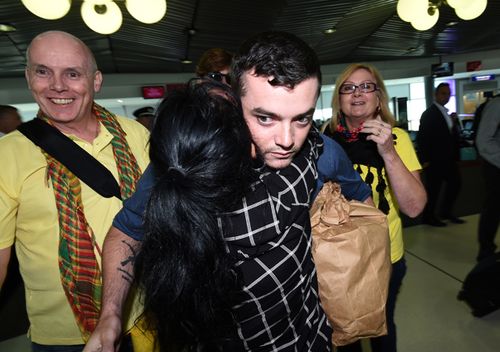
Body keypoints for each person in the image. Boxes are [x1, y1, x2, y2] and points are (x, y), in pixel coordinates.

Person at [84, 31, 373, 352]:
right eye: (265, 118)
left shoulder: (320, 151)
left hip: (309, 339)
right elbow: (127, 231)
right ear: (234, 100)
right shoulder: (195, 160)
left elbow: (361, 195)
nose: (287, 139)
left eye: (302, 118)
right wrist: (110, 315)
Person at [0, 31, 150, 352]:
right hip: (63, 335)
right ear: (28, 78)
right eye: (43, 71)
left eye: (72, 73)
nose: (57, 86)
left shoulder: (136, 135)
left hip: (146, 315)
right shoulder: (7, 154)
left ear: (96, 81)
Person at [323, 63, 427, 352]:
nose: (357, 93)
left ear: (378, 97)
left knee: (381, 330)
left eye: (366, 86)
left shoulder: (397, 138)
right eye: (348, 87)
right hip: (337, 257)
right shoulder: (325, 139)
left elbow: (414, 208)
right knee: (345, 334)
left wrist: (388, 152)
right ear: (339, 99)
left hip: (384, 257)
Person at [417, 82, 464, 227]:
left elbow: (451, 136)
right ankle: (429, 217)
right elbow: (423, 138)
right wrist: (425, 159)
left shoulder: (447, 113)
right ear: (436, 95)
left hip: (448, 159)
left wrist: (454, 123)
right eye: (443, 93)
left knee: (455, 184)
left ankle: (445, 211)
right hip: (435, 160)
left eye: (448, 94)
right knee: (433, 190)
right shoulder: (429, 114)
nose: (446, 96)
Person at [475, 95, 500, 261]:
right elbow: (483, 141)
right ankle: (486, 250)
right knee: (493, 208)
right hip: (496, 166)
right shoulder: (496, 105)